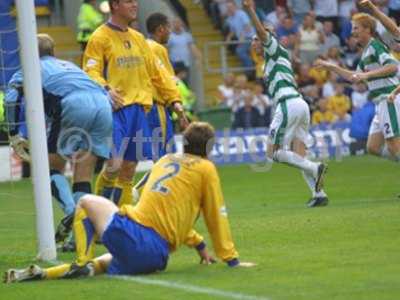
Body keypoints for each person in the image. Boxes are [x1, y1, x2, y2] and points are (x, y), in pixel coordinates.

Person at [4, 122, 255, 283]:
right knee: (103, 263)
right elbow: (215, 215)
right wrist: (225, 256)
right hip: (156, 256)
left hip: (137, 236)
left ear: (184, 142)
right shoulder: (206, 169)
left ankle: (80, 262)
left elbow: (158, 209)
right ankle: (43, 274)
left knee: (87, 202)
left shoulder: (165, 160)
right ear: (208, 148)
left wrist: (202, 246)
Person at [4, 34, 113, 248]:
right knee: (83, 174)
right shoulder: (69, 65)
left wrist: (14, 133)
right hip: (102, 105)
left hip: (72, 105)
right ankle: (78, 238)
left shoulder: (29, 69)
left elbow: (10, 98)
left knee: (48, 168)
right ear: (53, 51)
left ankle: (75, 214)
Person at [82, 0, 187, 209]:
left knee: (129, 168)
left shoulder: (139, 39)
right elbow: (90, 70)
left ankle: (122, 218)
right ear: (115, 5)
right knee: (113, 165)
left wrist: (174, 100)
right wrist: (106, 88)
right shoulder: (100, 37)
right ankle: (96, 215)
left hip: (140, 110)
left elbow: (158, 75)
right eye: (129, 1)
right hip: (117, 109)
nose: (135, 5)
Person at [242, 0, 328, 208]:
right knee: (299, 154)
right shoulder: (273, 58)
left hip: (288, 105)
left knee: (273, 152)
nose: (254, 42)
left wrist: (251, 11)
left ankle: (315, 168)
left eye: (256, 39)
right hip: (299, 104)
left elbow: (263, 34)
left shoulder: (273, 47)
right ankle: (319, 194)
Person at [315, 12, 400, 163]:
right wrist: (331, 66)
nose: (352, 32)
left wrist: (367, 76)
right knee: (373, 147)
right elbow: (353, 77)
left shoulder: (375, 46)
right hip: (379, 103)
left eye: (356, 28)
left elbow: (393, 67)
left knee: (394, 145)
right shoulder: (366, 52)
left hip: (389, 99)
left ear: (367, 30)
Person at [131, 12, 182, 201]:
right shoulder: (156, 49)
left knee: (162, 157)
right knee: (165, 158)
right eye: (168, 28)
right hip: (157, 106)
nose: (170, 32)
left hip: (144, 106)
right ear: (161, 29)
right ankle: (138, 191)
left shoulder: (142, 46)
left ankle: (161, 197)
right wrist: (177, 104)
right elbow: (167, 80)